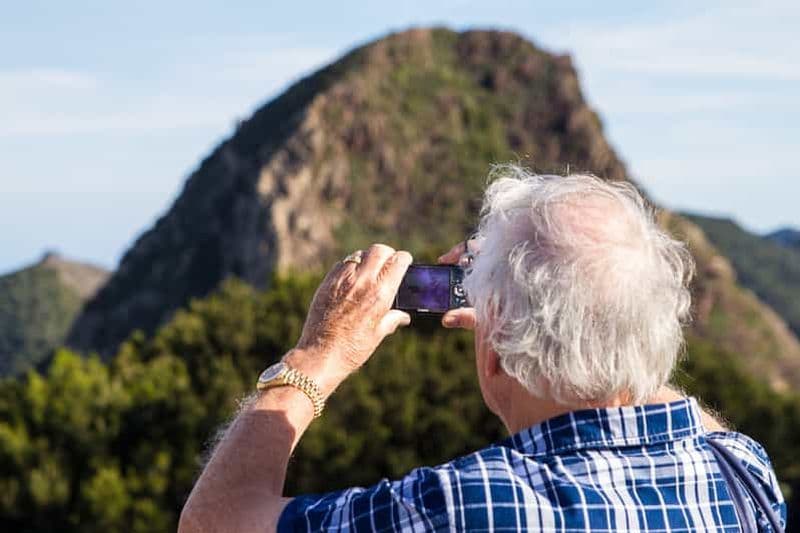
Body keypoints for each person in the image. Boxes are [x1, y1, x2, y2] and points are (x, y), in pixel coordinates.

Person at [179, 166, 786, 532]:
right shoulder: (741, 472)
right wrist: (585, 325)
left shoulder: (468, 506)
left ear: (497, 357)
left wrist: (320, 355)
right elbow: (679, 417)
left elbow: (218, 523)